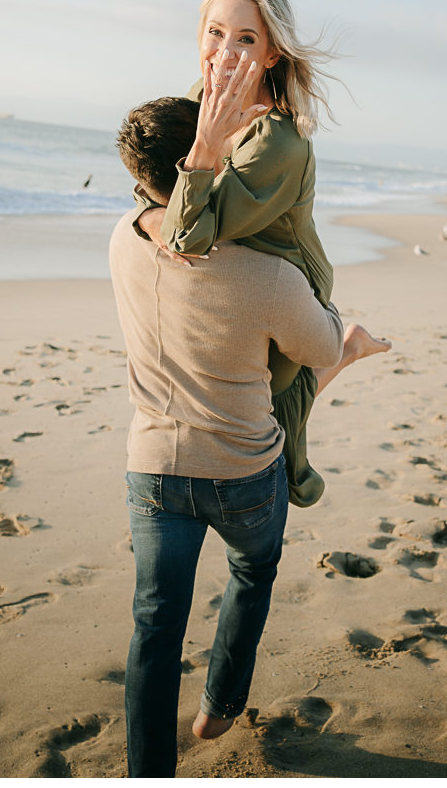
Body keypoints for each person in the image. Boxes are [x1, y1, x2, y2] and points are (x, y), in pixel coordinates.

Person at [110, 97, 390, 778]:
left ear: (140, 175)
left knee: (154, 628)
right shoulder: (266, 273)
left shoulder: (123, 236)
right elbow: (320, 341)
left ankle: (149, 773)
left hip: (154, 467)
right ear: (211, 161)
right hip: (243, 471)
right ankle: (219, 706)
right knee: (250, 572)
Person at [133, 0, 390, 507]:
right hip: (230, 261)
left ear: (272, 54)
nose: (224, 52)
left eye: (246, 39)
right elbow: (158, 183)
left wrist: (201, 155)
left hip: (286, 274)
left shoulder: (280, 142)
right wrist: (152, 214)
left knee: (264, 409)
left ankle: (342, 350)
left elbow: (186, 234)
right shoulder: (202, 95)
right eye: (215, 33)